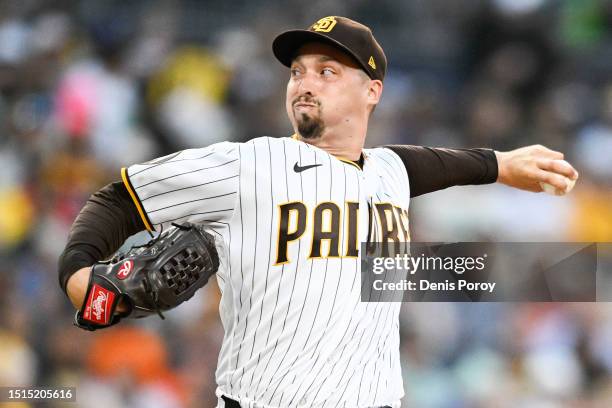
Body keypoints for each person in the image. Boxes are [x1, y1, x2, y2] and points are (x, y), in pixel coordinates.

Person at [59, 16, 578, 408]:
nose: (305, 82)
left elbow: (428, 165)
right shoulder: (249, 164)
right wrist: (77, 270)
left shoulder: (388, 172)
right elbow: (120, 197)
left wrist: (500, 164)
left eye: (327, 72)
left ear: (372, 91)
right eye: (298, 72)